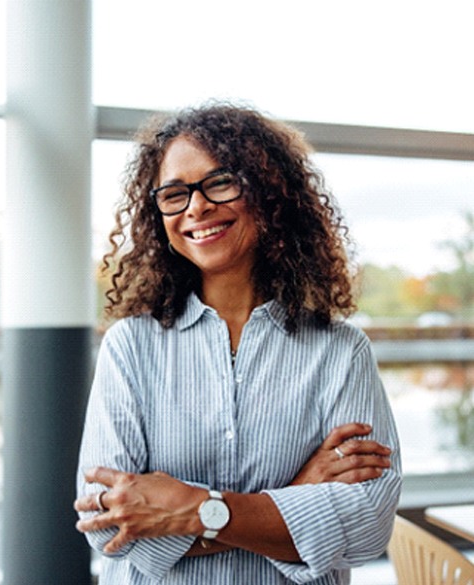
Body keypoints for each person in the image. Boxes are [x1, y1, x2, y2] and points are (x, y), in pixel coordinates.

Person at [74, 103, 402, 584]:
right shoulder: (130, 347)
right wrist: (295, 499)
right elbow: (107, 529)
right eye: (174, 194)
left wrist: (189, 510)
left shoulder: (341, 351)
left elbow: (367, 526)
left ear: (270, 194)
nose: (196, 207)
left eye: (220, 182)